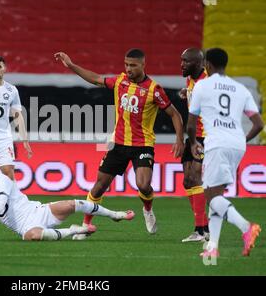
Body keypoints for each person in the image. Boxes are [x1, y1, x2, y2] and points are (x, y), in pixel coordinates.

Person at [54, 49, 185, 239]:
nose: (129, 68)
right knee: (99, 186)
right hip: (118, 143)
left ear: (143, 65)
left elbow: (175, 114)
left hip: (142, 145)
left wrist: (179, 139)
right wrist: (72, 65)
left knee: (143, 185)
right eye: (126, 64)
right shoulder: (119, 81)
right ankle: (85, 226)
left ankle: (147, 209)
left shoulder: (154, 89)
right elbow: (95, 78)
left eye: (133, 65)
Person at [187, 47, 264, 258]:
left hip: (217, 144)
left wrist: (193, 142)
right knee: (216, 194)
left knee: (210, 196)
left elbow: (191, 123)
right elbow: (259, 124)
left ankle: (246, 228)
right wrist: (242, 139)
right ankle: (212, 247)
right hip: (237, 145)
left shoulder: (202, 85)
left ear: (207, 65)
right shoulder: (240, 89)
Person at [0, 159, 135, 241]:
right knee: (33, 236)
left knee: (72, 204)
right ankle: (75, 230)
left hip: (37, 211)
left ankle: (115, 214)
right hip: (24, 227)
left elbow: (0, 203)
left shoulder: (1, 179)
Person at [178, 48, 210, 242]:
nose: (181, 64)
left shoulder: (206, 84)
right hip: (193, 136)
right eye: (181, 60)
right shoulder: (191, 79)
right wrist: (186, 92)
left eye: (185, 61)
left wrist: (193, 142)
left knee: (195, 178)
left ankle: (200, 231)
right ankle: (204, 229)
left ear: (198, 63)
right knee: (188, 182)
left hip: (204, 137)